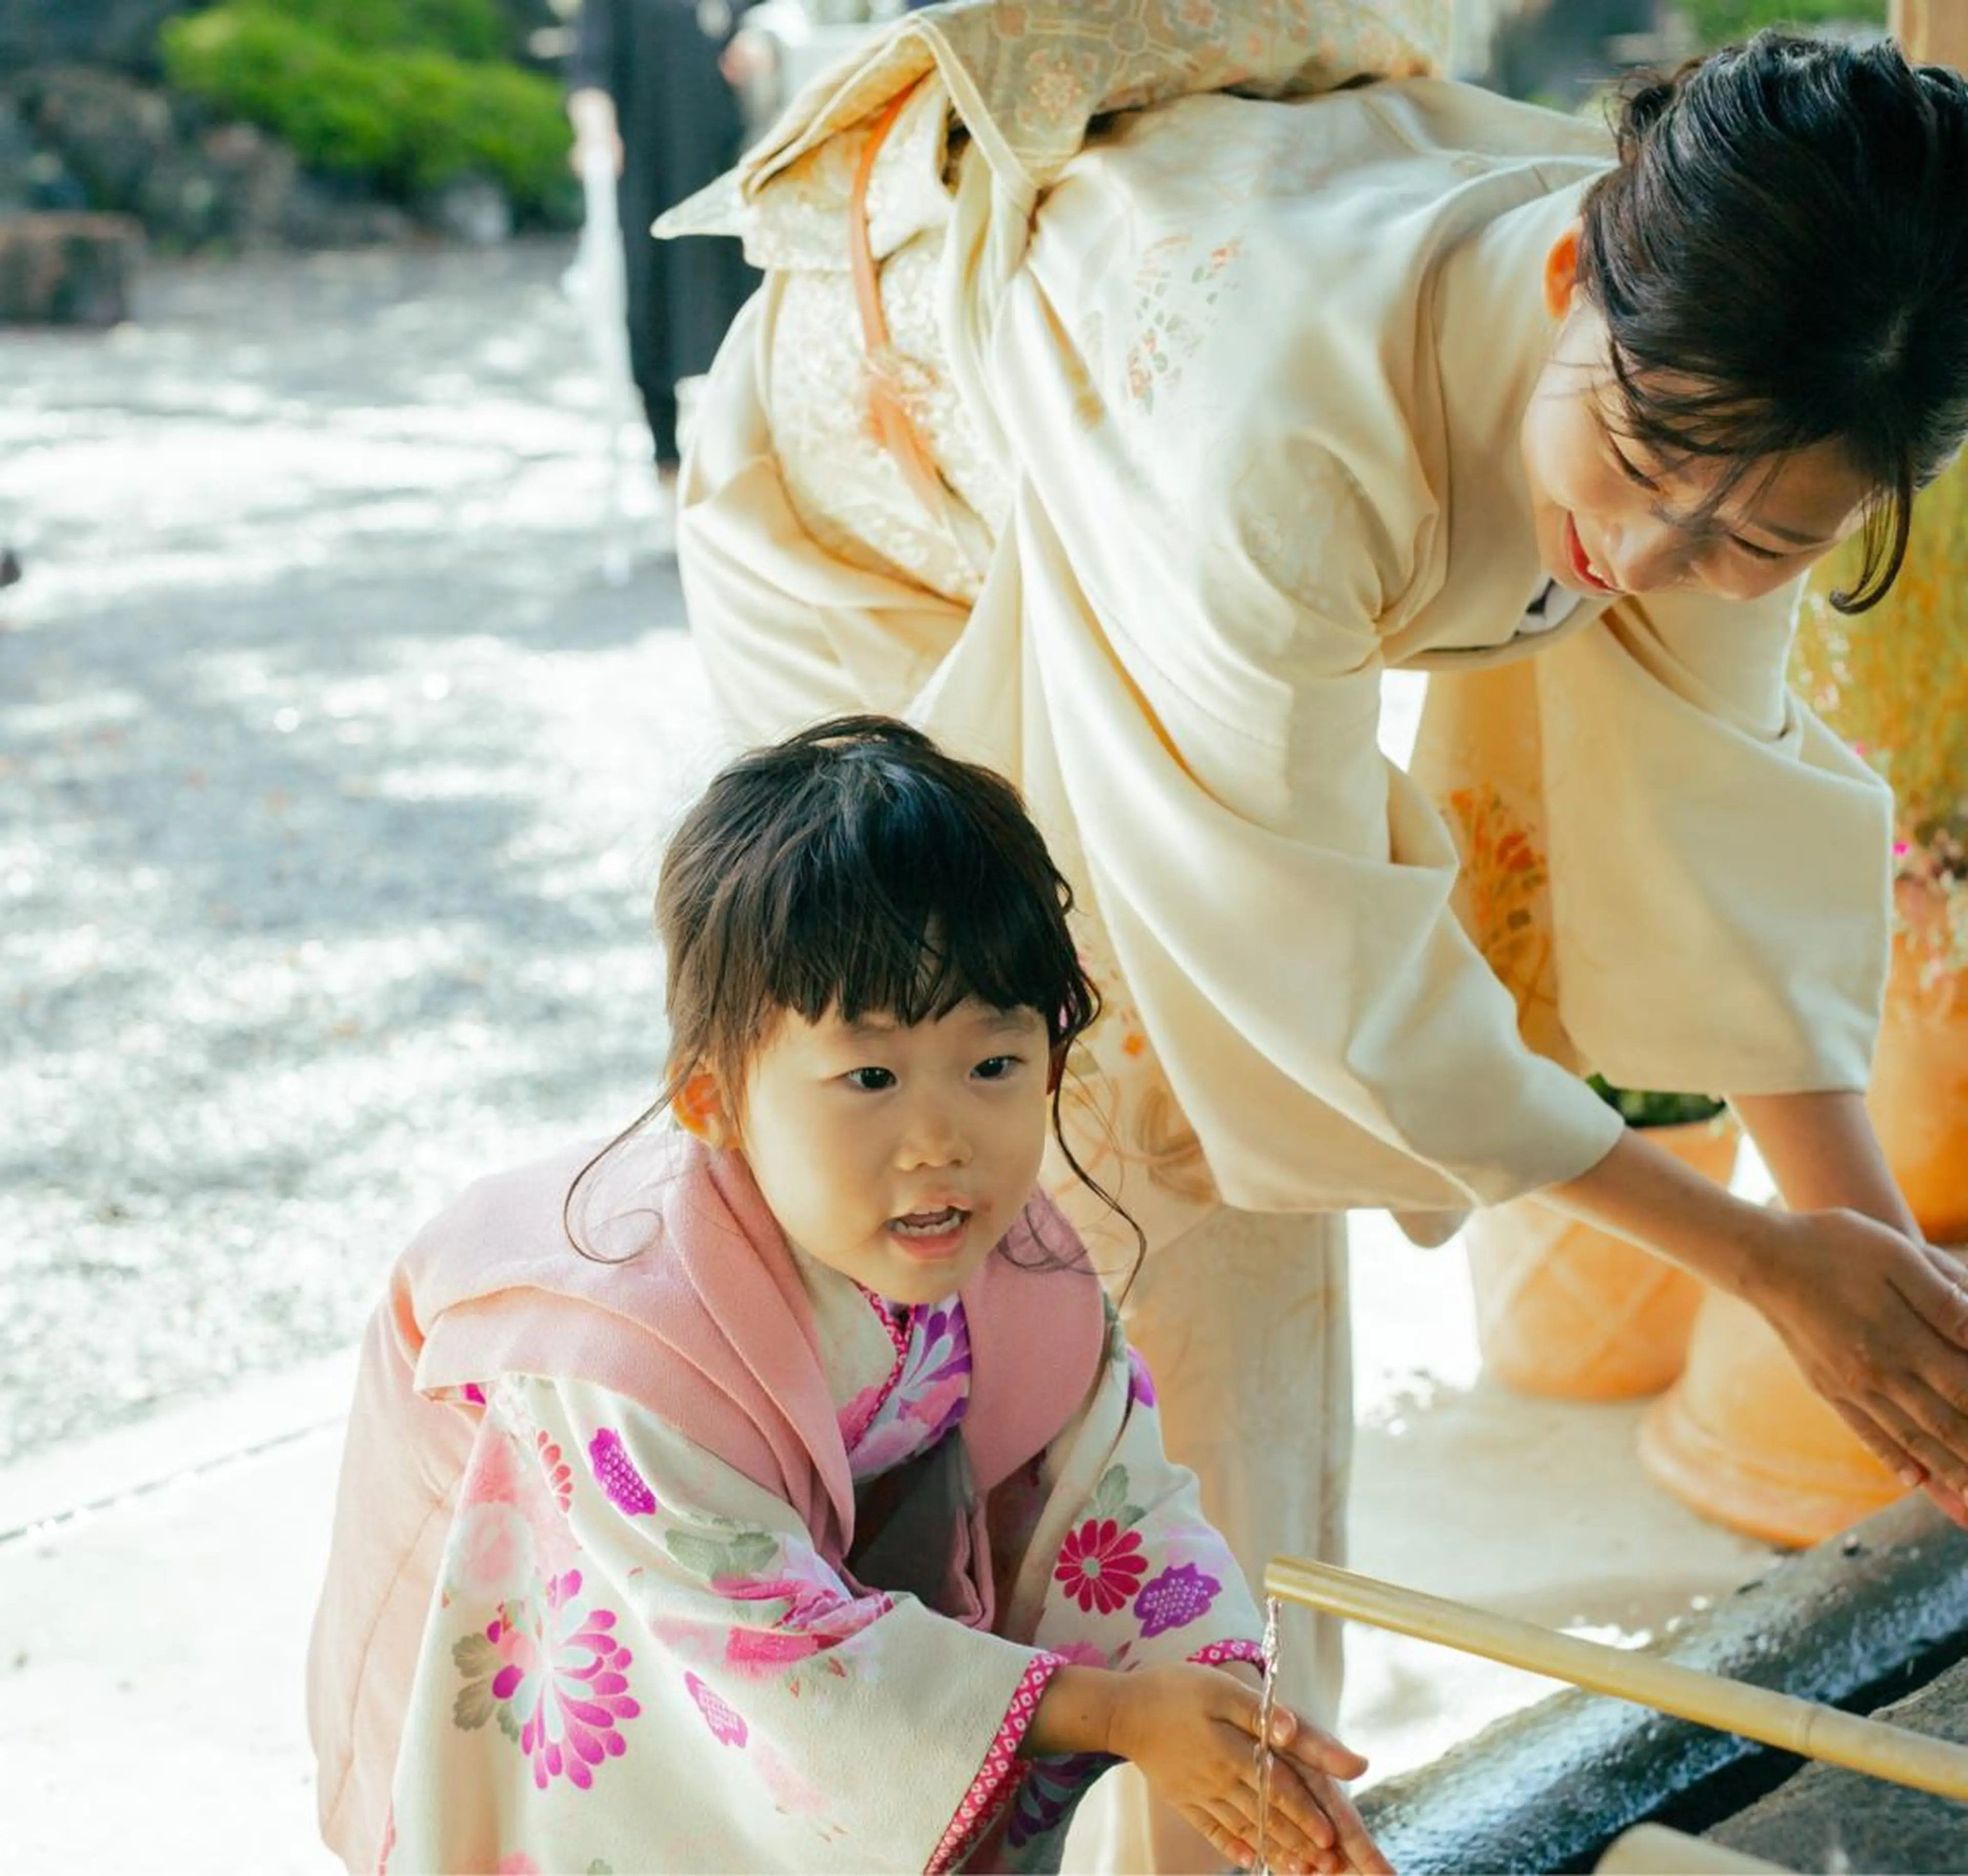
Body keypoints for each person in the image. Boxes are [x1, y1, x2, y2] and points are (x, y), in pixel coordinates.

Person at [657, 5, 1968, 1857]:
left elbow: (1712, 813)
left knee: (1163, 1238)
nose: (1666, 550)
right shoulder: (1269, 418)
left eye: (1761, 541)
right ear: (1577, 257)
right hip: (881, 547)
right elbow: (1301, 981)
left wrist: (1882, 1296)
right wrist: (1761, 1264)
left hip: (1174, 566)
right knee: (1097, 1180)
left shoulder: (1751, 353)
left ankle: (1217, 1814)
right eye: (1646, 457)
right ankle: (953, 1778)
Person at [306, 716, 1388, 1875]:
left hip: (801, 1598)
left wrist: (1228, 1725)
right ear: (714, 1100)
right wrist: (1111, 1713)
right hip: (568, 1627)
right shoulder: (622, 1346)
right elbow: (765, 1657)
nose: (938, 1142)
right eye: (868, 1077)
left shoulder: (1021, 1268)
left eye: (993, 1066)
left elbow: (1117, 1515)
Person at [566, 0, 761, 473]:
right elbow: (590, 69)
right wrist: (596, 135)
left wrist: (760, 44)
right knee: (651, 307)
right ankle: (667, 460)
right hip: (651, 169)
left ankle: (741, 458)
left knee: (743, 314)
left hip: (730, 169)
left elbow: (771, 20)